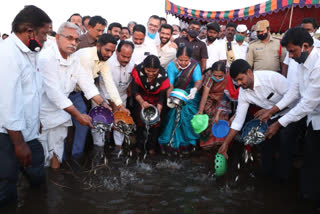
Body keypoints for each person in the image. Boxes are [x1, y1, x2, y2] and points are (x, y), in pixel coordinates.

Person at [38, 22, 111, 169]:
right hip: (41, 114)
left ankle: (55, 186)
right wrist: (78, 115)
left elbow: (87, 84)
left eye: (76, 40)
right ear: (58, 37)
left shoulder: (74, 59)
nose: (73, 43)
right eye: (69, 38)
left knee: (56, 151)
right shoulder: (46, 57)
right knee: (39, 156)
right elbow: (54, 94)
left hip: (61, 113)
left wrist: (103, 104)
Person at [217, 59, 305, 181]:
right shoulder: (244, 92)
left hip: (293, 114)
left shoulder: (271, 78)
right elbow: (238, 121)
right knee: (264, 140)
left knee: (286, 140)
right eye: (236, 81)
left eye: (241, 79)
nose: (239, 83)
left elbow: (294, 98)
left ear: (249, 72)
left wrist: (270, 111)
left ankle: (283, 178)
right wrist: (225, 144)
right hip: (272, 116)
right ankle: (267, 176)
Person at [261, 27, 320, 207]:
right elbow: (294, 91)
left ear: (305, 46)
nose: (291, 56)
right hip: (314, 118)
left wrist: (278, 123)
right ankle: (307, 196)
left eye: (293, 51)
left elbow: (308, 102)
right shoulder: (301, 62)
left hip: (313, 113)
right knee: (311, 158)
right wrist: (272, 111)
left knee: (314, 159)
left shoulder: (318, 65)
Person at [0, 5, 52, 205]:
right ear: (30, 31)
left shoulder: (30, 52)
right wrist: (19, 144)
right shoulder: (7, 54)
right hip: (8, 136)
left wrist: (35, 120)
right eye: (44, 34)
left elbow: (32, 93)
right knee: (7, 185)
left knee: (37, 176)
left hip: (27, 131)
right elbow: (8, 102)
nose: (46, 39)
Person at [73, 34, 129, 158]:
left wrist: (120, 106)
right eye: (107, 50)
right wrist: (104, 104)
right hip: (65, 91)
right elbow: (87, 85)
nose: (109, 54)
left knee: (83, 124)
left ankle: (76, 156)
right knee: (62, 127)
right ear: (98, 46)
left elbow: (110, 83)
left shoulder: (104, 60)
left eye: (112, 51)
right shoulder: (86, 57)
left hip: (75, 93)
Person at [158, 45, 202, 154]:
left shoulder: (194, 65)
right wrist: (170, 99)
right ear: (176, 58)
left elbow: (198, 81)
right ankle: (171, 144)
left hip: (190, 95)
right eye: (180, 60)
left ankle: (188, 143)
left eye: (186, 60)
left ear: (190, 59)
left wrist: (194, 90)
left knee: (187, 116)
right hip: (176, 94)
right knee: (173, 115)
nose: (183, 63)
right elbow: (170, 85)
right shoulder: (172, 66)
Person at [131, 55, 170, 154]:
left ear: (158, 69)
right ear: (144, 67)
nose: (151, 74)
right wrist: (142, 102)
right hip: (141, 98)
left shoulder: (163, 76)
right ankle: (139, 145)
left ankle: (151, 147)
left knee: (156, 124)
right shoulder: (138, 71)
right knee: (140, 121)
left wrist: (158, 113)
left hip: (156, 100)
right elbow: (134, 90)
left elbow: (162, 98)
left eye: (154, 71)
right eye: (148, 71)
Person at [197, 61, 238, 149]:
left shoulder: (230, 75)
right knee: (208, 118)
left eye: (220, 76)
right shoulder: (208, 76)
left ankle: (220, 141)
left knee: (221, 118)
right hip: (210, 97)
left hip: (224, 97)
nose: (217, 77)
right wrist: (200, 111)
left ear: (225, 73)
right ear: (212, 72)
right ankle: (207, 142)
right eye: (215, 75)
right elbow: (205, 94)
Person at [102, 40, 135, 151]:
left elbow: (130, 83)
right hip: (103, 99)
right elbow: (107, 91)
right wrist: (116, 110)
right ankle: (100, 149)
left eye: (128, 57)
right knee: (101, 126)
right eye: (123, 56)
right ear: (116, 52)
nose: (126, 60)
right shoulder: (107, 65)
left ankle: (118, 150)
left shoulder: (132, 64)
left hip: (122, 98)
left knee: (121, 124)